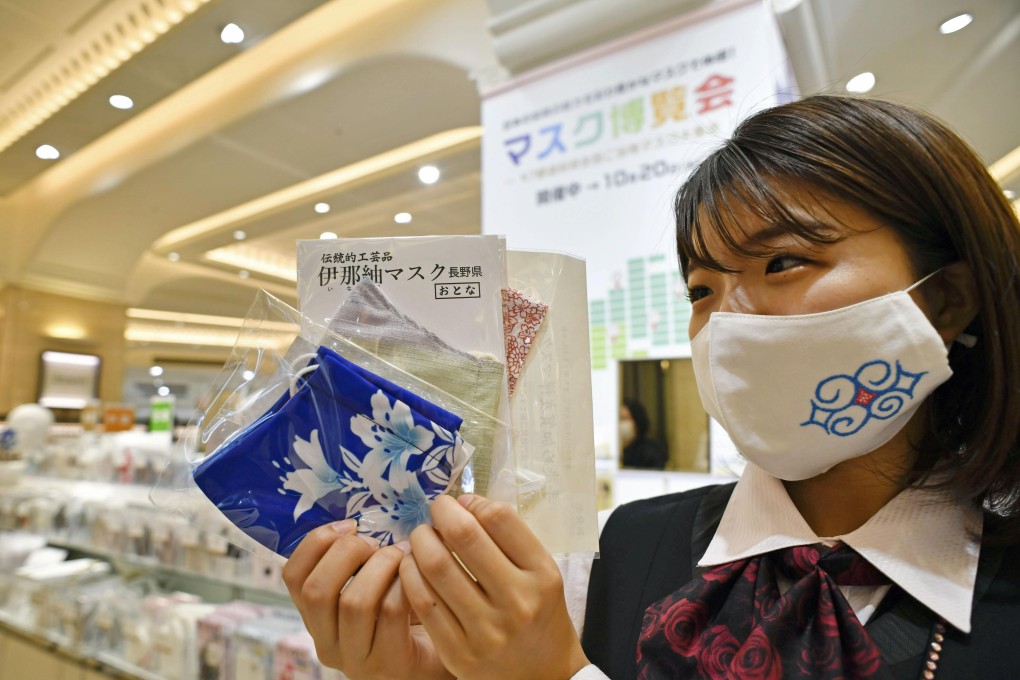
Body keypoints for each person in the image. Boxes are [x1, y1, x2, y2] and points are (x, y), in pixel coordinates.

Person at [282, 94, 1020, 680]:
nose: (728, 321)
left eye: (785, 262)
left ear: (947, 298)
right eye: (701, 288)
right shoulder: (640, 546)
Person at [620, 398, 668, 469]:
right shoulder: (615, 449)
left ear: (637, 421)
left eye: (625, 419)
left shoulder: (650, 450)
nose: (621, 423)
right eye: (619, 419)